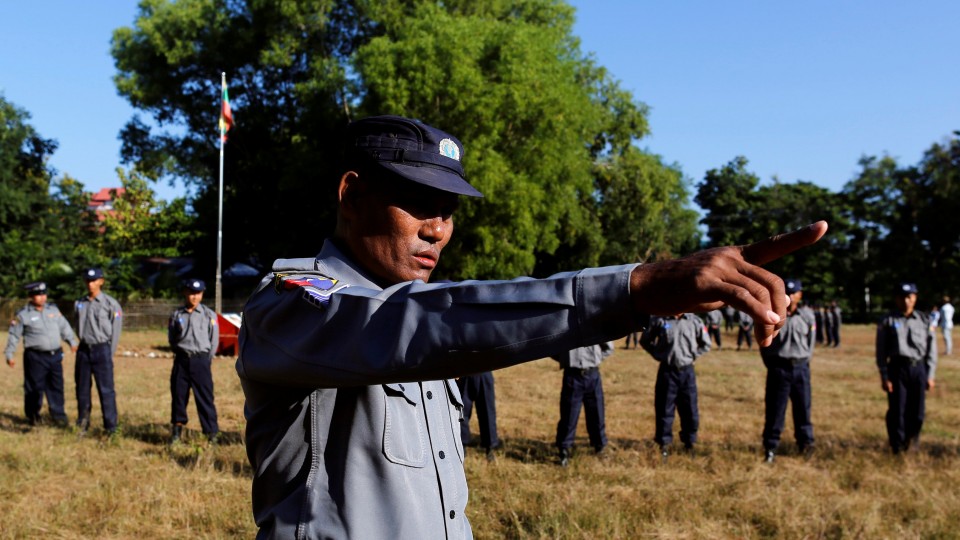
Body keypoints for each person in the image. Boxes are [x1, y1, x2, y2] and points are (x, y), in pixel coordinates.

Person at [235, 114, 828, 538]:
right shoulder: (290, 303)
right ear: (352, 194)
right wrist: (634, 287)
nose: (438, 229)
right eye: (417, 201)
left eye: (449, 210)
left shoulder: (417, 306)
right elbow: (411, 326)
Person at [4, 282, 79, 426]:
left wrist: (72, 342)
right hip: (35, 356)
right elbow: (14, 335)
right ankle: (33, 416)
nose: (42, 297)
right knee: (34, 387)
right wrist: (10, 354)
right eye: (38, 295)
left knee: (56, 385)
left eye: (44, 294)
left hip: (55, 355)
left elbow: (64, 327)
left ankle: (58, 415)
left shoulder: (53, 310)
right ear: (31, 296)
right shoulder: (23, 315)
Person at [760, 279, 817, 463]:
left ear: (800, 295)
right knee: (776, 410)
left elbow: (811, 343)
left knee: (803, 408)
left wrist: (803, 359)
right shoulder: (774, 315)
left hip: (800, 368)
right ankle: (771, 447)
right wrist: (772, 364)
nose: (791, 297)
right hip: (779, 368)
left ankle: (805, 444)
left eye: (794, 293)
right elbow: (765, 343)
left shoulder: (807, 316)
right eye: (788, 293)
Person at [876, 282, 937, 454]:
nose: (906, 301)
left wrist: (930, 375)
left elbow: (931, 351)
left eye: (910, 297)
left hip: (918, 369)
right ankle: (897, 446)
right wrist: (884, 375)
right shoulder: (888, 320)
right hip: (897, 369)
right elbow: (881, 352)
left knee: (917, 411)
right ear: (896, 299)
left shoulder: (924, 320)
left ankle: (912, 440)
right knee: (897, 410)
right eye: (902, 297)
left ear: (915, 298)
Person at [640, 313, 710, 460]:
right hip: (667, 371)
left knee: (690, 409)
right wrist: (658, 354)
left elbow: (706, 344)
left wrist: (692, 356)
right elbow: (645, 341)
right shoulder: (659, 320)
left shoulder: (695, 321)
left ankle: (689, 442)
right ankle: (663, 444)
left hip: (687, 372)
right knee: (665, 409)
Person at [167, 279, 220, 444]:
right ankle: (177, 431)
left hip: (201, 361)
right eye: (191, 293)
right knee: (178, 396)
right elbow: (172, 338)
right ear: (185, 293)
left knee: (205, 397)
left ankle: (211, 433)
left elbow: (214, 340)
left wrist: (205, 359)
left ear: (202, 294)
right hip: (182, 361)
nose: (194, 297)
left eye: (198, 293)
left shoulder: (209, 315)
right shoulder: (177, 315)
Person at [74, 267, 123, 435]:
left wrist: (109, 353)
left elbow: (115, 331)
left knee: (106, 390)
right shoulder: (79, 303)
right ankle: (83, 424)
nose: (90, 284)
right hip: (84, 350)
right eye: (88, 281)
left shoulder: (111, 304)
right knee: (82, 389)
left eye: (94, 280)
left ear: (101, 281)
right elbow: (77, 325)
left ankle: (110, 427)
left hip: (102, 349)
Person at [552, 341, 614, 467]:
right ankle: (564, 449)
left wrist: (596, 357)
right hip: (572, 375)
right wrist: (565, 358)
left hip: (592, 374)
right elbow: (552, 348)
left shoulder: (594, 323)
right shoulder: (564, 326)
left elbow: (608, 346)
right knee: (569, 415)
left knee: (597, 413)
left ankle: (600, 446)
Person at [456, 372, 501, 461]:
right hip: (464, 373)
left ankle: (490, 447)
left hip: (484, 371)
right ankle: (462, 445)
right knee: (461, 412)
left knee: (487, 412)